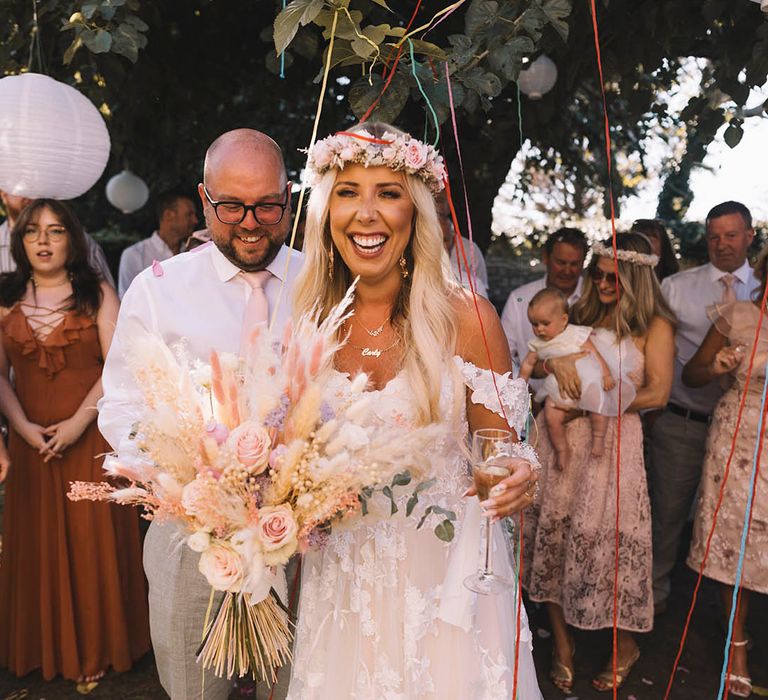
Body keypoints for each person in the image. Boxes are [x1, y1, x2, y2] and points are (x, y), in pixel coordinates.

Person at [286, 122, 541, 699]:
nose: (367, 213)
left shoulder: (467, 318)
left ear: (416, 213)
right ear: (326, 212)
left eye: (389, 192)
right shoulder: (308, 324)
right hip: (343, 583)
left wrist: (518, 471)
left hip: (446, 580)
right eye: (348, 192)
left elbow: (501, 446)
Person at [98, 129, 302, 700]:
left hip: (304, 537)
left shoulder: (322, 282)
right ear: (204, 197)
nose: (251, 222)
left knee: (298, 687)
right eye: (231, 206)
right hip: (187, 534)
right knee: (192, 689)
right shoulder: (158, 290)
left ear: (288, 197)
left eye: (267, 205)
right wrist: (184, 481)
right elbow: (120, 403)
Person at [0, 199, 149, 683]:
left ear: (73, 239)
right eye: (32, 232)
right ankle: (46, 650)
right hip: (31, 444)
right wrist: (21, 426)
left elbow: (118, 368)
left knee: (91, 544)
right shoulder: (3, 297)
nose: (43, 241)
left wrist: (77, 424)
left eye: (55, 231)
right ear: (20, 242)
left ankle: (98, 652)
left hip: (88, 439)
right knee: (38, 544)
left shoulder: (99, 295)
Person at [523, 233, 676, 693]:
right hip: (562, 443)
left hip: (613, 445)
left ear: (636, 277)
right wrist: (554, 371)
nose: (605, 282)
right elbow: (546, 358)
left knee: (609, 543)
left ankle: (624, 644)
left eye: (616, 275)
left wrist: (598, 404)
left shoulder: (654, 324)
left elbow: (658, 393)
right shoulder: (579, 315)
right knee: (558, 532)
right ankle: (564, 646)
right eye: (599, 272)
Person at [648, 201, 758, 615]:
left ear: (749, 236)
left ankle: (726, 618)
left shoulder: (760, 293)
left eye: (731, 235)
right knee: (666, 518)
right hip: (683, 421)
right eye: (714, 236)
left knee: (732, 527)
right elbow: (651, 351)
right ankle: (654, 606)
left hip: (745, 438)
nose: (722, 244)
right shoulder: (678, 286)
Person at [682, 244, 768, 698]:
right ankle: (737, 646)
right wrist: (715, 366)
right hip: (738, 441)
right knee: (736, 542)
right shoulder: (736, 315)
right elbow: (691, 375)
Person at [519, 287, 636, 469]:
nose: (539, 329)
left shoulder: (575, 334)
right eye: (534, 324)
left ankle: (598, 438)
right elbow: (528, 364)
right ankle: (561, 449)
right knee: (551, 416)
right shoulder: (537, 344)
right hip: (559, 390)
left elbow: (595, 352)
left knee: (599, 405)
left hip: (587, 382)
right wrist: (520, 383)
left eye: (545, 323)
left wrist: (605, 374)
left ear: (564, 320)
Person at [501, 227, 588, 383]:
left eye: (574, 264)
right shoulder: (519, 298)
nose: (567, 271)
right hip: (533, 394)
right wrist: (522, 388)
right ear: (546, 258)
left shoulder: (591, 296)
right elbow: (503, 354)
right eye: (561, 262)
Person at [0, 188, 115, 285]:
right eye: (22, 188)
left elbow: (109, 302)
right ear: (3, 193)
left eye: (36, 186)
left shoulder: (83, 242)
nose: (30, 194)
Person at [117, 192, 199, 297]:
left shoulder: (194, 252)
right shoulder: (135, 255)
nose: (195, 221)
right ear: (168, 215)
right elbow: (127, 302)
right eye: (189, 215)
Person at [435, 189, 488, 297]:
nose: (432, 205)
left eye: (438, 200)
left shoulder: (470, 251)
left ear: (449, 206)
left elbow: (480, 294)